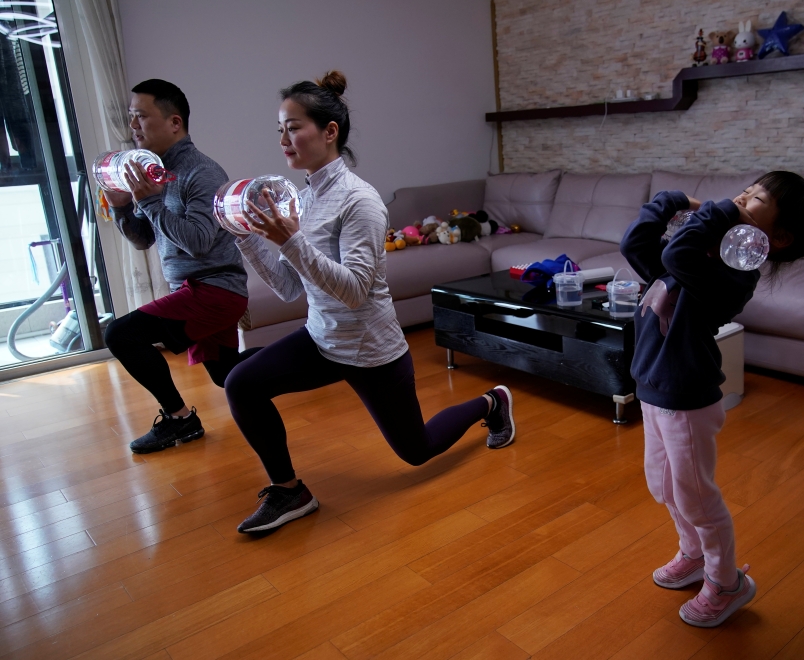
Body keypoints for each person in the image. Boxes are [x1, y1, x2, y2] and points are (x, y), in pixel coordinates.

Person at [225, 70, 515, 534]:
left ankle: (491, 402)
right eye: (279, 128)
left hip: (371, 350)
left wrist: (292, 241)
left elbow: (356, 290)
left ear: (329, 131)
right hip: (323, 339)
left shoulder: (361, 201)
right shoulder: (302, 199)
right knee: (242, 383)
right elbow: (289, 288)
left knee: (415, 450)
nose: (283, 138)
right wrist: (247, 238)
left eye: (293, 126)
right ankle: (289, 491)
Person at [620, 171, 804, 627]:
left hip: (686, 397)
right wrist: (668, 201)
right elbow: (636, 247)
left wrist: (716, 211)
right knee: (662, 485)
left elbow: (676, 254)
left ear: (777, 238)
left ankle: (727, 582)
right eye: (745, 190)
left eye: (755, 197)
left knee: (696, 496)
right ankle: (694, 553)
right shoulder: (694, 252)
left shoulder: (733, 275)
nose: (739, 197)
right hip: (652, 388)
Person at [103, 79, 249, 454]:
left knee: (120, 335)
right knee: (228, 376)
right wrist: (121, 204)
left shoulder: (202, 172)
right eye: (131, 117)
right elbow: (143, 238)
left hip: (213, 288)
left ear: (174, 122)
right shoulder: (152, 172)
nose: (133, 126)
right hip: (195, 289)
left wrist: (150, 203)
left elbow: (199, 241)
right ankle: (317, 352)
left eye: (141, 116)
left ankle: (180, 420)